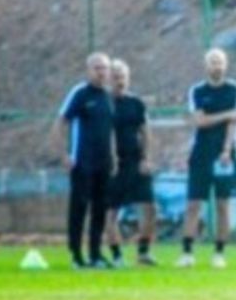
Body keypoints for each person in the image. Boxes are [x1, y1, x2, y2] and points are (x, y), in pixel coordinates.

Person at [177, 48, 236, 269]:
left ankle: (219, 253)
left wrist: (226, 150)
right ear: (206, 65)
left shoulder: (235, 89)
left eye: (220, 62)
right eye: (213, 62)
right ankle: (187, 252)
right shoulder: (197, 91)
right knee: (194, 203)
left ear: (226, 65)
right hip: (201, 153)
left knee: (223, 205)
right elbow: (200, 121)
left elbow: (235, 121)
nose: (217, 66)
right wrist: (225, 114)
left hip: (224, 154)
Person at [54, 52, 117, 269]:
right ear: (88, 70)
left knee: (100, 208)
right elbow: (61, 122)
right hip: (82, 161)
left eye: (104, 68)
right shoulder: (79, 93)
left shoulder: (108, 97)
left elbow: (109, 131)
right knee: (79, 207)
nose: (101, 72)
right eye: (97, 68)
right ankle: (76, 254)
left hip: (103, 163)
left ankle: (95, 254)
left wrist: (113, 156)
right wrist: (64, 154)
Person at [103, 59, 158, 267]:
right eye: (116, 77)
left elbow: (146, 133)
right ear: (109, 79)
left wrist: (146, 158)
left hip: (136, 162)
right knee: (110, 212)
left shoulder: (136, 103)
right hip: (113, 165)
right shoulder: (104, 104)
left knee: (150, 208)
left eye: (123, 77)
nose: (120, 82)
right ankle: (117, 256)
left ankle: (143, 252)